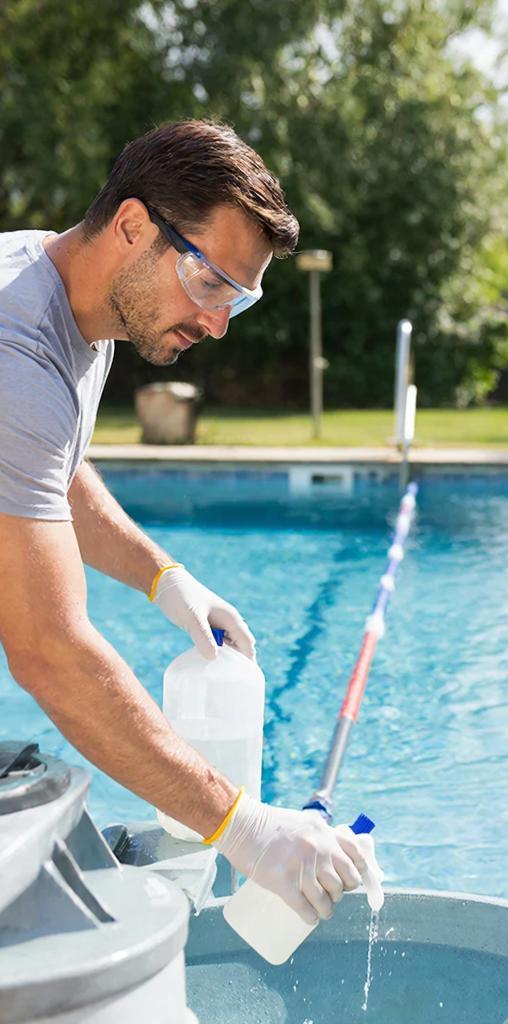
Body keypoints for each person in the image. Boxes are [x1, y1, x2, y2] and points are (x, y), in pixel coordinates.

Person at [0, 119, 380, 927]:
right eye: (211, 285)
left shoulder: (68, 298)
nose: (219, 324)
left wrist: (163, 578)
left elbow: (47, 470)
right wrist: (245, 829)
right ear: (135, 226)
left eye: (239, 298)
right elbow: (50, 654)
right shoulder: (15, 351)